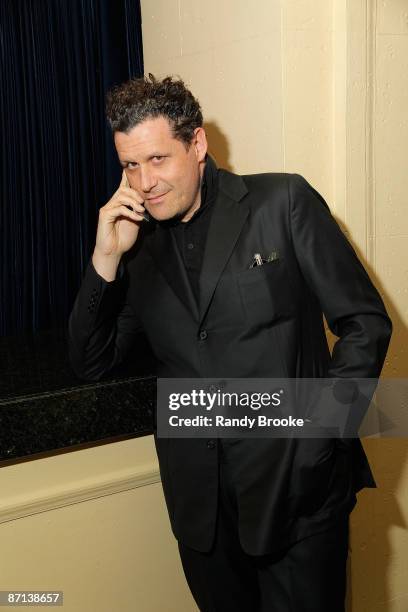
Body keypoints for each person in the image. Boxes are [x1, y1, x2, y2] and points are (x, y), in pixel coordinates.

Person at [68, 74, 392, 611]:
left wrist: (320, 437)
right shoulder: (138, 244)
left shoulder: (281, 201)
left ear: (197, 145)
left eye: (157, 159)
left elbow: (365, 322)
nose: (144, 182)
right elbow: (91, 362)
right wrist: (106, 259)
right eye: (129, 165)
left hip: (297, 497)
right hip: (203, 513)